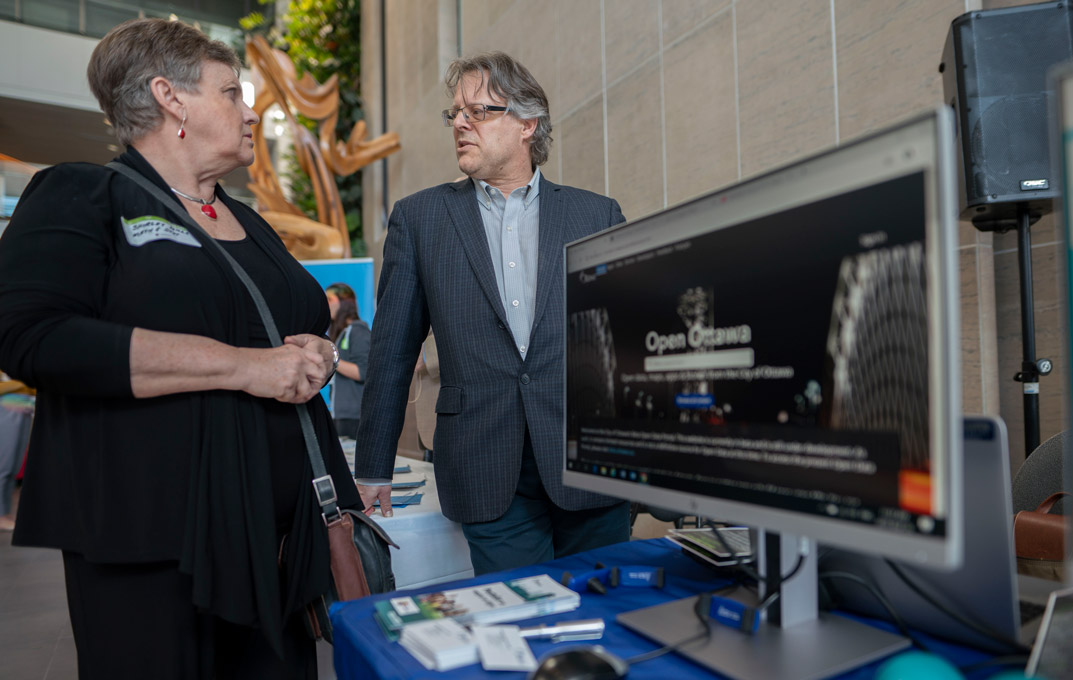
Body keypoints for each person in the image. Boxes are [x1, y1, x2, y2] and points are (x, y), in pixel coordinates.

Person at [0, 19, 359, 679]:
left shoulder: (247, 217)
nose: (250, 114)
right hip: (150, 547)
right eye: (231, 93)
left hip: (276, 542)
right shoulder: (84, 193)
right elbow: (33, 338)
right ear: (171, 98)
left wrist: (317, 355)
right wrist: (245, 367)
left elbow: (296, 332)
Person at [355, 52, 630, 574]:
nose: (460, 123)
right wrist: (374, 467)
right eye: (454, 113)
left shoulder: (596, 215)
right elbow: (392, 352)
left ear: (528, 124)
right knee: (523, 621)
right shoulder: (420, 219)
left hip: (589, 461)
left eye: (479, 111)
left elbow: (627, 343)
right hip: (484, 463)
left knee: (609, 613)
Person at [325, 283, 371, 438]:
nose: (326, 304)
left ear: (344, 302)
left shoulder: (358, 332)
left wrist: (331, 358)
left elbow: (363, 372)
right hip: (340, 414)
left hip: (354, 416)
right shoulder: (341, 334)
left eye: (330, 299)